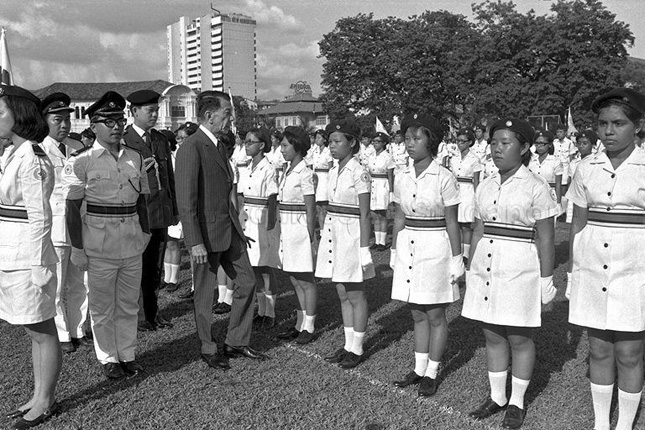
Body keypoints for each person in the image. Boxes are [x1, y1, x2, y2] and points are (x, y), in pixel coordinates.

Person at [462, 118, 558, 429]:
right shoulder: (487, 183)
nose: (497, 149)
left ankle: (516, 401)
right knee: (492, 332)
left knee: (518, 335)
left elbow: (545, 236)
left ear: (525, 147)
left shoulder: (536, 187)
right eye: (494, 143)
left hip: (519, 267)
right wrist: (470, 266)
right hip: (486, 264)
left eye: (505, 143)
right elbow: (478, 229)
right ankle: (496, 396)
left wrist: (546, 280)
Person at [567, 88, 645, 430]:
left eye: (618, 123)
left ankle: (625, 424)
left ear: (638, 126)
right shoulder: (586, 168)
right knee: (598, 350)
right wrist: (572, 271)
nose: (608, 131)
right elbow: (578, 222)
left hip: (635, 268)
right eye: (602, 124)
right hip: (592, 266)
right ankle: (601, 423)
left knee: (629, 353)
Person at [62, 91, 151, 380]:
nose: (116, 126)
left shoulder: (135, 158)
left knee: (128, 303)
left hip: (131, 240)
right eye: (108, 121)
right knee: (101, 305)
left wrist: (146, 232)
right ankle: (108, 357)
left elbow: (142, 200)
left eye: (119, 120)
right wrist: (77, 247)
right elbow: (72, 208)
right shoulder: (81, 161)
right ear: (94, 126)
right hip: (98, 244)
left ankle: (127, 353)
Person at [175, 90, 266, 370]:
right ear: (209, 115)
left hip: (229, 232)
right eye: (226, 113)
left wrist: (238, 229)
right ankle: (208, 346)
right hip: (206, 234)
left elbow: (225, 194)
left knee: (248, 282)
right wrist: (195, 241)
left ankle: (236, 341)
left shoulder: (216, 145)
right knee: (205, 294)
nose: (230, 119)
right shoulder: (192, 146)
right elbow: (186, 199)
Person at [390, 112, 464, 397]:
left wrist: (457, 258)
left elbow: (452, 221)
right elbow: (398, 216)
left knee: (435, 313)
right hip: (409, 243)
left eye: (416, 138)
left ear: (430, 141)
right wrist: (395, 249)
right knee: (416, 312)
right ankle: (419, 367)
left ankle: (432, 370)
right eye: (407, 138)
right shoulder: (403, 175)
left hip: (435, 246)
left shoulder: (444, 177)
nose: (409, 144)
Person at [0, 84, 61, 430]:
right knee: (32, 328)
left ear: (20, 116)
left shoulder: (33, 158)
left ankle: (45, 400)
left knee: (41, 329)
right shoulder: (12, 154)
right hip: (11, 252)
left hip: (28, 256)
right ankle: (37, 395)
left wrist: (39, 264)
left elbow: (40, 216)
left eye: (1, 111)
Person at [316, 119, 375, 369]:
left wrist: (364, 248)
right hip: (335, 233)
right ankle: (348, 343)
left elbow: (364, 214)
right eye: (330, 142)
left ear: (352, 143)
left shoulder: (359, 172)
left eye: (337, 141)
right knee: (341, 291)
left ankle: (358, 347)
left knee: (355, 293)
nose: (332, 146)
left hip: (352, 236)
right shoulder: (333, 170)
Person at [123, 89, 177, 332]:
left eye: (156, 110)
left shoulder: (160, 140)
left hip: (159, 213)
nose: (155, 114)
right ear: (134, 111)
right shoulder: (124, 141)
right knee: (137, 266)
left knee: (155, 266)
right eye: (150, 110)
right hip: (138, 214)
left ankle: (153, 314)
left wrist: (173, 210)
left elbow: (169, 179)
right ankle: (139, 315)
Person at [39, 92, 90, 354]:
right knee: (56, 284)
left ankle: (78, 328)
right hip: (55, 227)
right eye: (57, 119)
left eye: (67, 120)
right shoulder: (38, 150)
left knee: (79, 281)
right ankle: (61, 333)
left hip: (78, 225)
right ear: (45, 120)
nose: (64, 125)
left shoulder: (77, 148)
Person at [275, 126, 318, 344]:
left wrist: (310, 238)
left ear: (297, 146)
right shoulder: (287, 170)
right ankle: (300, 323)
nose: (281, 149)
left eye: (285, 145)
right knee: (294, 278)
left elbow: (311, 209)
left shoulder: (306, 173)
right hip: (287, 230)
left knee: (306, 280)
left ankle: (309, 326)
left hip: (300, 230)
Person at [238, 127, 280, 329]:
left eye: (250, 142)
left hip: (262, 219)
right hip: (247, 219)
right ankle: (261, 309)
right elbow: (241, 197)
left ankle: (270, 312)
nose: (246, 145)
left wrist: (270, 228)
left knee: (264, 266)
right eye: (245, 141)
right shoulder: (246, 168)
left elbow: (272, 200)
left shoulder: (269, 169)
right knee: (253, 266)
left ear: (262, 145)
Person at [166, 122, 199, 298]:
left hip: (193, 205)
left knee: (195, 248)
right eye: (179, 138)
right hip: (180, 204)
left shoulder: (196, 153)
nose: (180, 142)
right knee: (182, 243)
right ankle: (192, 285)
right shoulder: (177, 154)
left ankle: (197, 286)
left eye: (184, 138)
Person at [447, 128, 482, 260]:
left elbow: (476, 180)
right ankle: (457, 251)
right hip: (455, 191)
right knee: (454, 222)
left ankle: (466, 254)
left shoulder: (474, 159)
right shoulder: (454, 158)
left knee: (466, 224)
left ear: (470, 142)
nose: (459, 143)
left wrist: (477, 197)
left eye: (463, 141)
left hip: (468, 192)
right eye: (458, 141)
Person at [367, 131, 395, 250]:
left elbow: (390, 176)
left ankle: (382, 242)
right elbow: (368, 172)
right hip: (373, 184)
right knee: (374, 214)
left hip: (382, 185)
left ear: (383, 143)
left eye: (378, 142)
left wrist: (391, 192)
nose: (375, 144)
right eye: (374, 141)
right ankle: (377, 241)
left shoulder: (387, 157)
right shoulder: (371, 156)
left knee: (382, 214)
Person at [528, 130, 563, 216]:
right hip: (532, 197)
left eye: (542, 143)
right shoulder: (531, 160)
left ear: (550, 145)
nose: (539, 146)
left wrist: (558, 203)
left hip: (549, 197)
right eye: (537, 143)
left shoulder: (555, 161)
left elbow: (558, 184)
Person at [564, 129, 595, 223]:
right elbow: (570, 180)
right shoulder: (574, 162)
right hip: (575, 197)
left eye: (585, 143)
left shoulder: (596, 161)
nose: (581, 146)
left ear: (592, 145)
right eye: (579, 143)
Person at [307, 129, 333, 233]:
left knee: (324, 207)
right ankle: (322, 231)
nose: (316, 140)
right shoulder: (315, 151)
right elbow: (311, 164)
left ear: (324, 139)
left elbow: (331, 167)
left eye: (319, 138)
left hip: (325, 178)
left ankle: (327, 230)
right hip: (316, 177)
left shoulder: (328, 151)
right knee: (318, 207)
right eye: (316, 138)